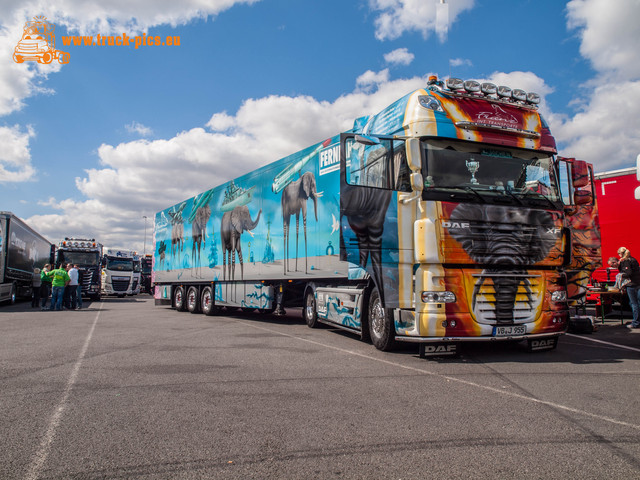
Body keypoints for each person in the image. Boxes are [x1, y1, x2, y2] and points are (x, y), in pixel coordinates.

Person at [617, 247, 640, 329]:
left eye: (619, 254)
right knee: (637, 303)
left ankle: (636, 322)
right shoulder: (633, 259)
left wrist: (621, 275)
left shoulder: (626, 261)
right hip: (638, 283)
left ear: (621, 254)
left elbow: (628, 273)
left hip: (631, 285)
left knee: (634, 304)